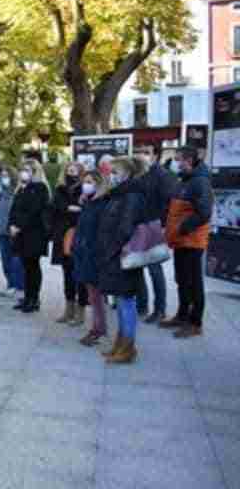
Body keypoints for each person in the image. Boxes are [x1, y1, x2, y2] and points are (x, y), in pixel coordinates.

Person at [97, 157, 147, 364]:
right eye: (111, 171)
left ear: (127, 173)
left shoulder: (132, 195)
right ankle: (121, 343)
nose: (112, 175)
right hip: (116, 255)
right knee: (120, 301)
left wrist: (110, 249)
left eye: (116, 171)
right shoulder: (121, 194)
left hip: (122, 256)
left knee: (126, 302)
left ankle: (127, 348)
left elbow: (125, 229)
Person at [162, 145, 214, 339]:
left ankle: (195, 323)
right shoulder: (184, 180)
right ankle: (182, 315)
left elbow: (204, 212)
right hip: (180, 240)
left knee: (194, 282)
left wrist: (183, 228)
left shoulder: (200, 182)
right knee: (182, 280)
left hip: (192, 241)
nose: (174, 163)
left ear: (189, 161)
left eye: (178, 159)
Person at [133, 150, 179, 324]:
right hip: (138, 225)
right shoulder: (138, 175)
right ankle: (142, 304)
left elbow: (170, 200)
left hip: (153, 225)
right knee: (137, 267)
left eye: (145, 154)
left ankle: (160, 309)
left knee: (154, 269)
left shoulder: (162, 175)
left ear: (153, 157)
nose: (142, 158)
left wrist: (161, 223)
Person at [72, 171, 110, 347]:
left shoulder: (101, 204)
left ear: (98, 184)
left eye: (89, 182)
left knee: (96, 296)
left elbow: (100, 233)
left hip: (93, 255)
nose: (85, 185)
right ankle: (97, 327)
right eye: (84, 182)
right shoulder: (89, 202)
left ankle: (99, 330)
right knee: (92, 295)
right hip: (84, 253)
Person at [8, 159, 51, 313]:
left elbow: (34, 211)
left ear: (35, 171)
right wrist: (12, 225)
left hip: (34, 234)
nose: (23, 172)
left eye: (27, 169)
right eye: (23, 169)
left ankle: (34, 299)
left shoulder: (40, 188)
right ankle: (27, 297)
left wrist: (18, 226)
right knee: (26, 267)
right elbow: (14, 209)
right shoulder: (21, 188)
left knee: (33, 267)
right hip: (21, 234)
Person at [51, 162, 88, 326]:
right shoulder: (59, 189)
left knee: (80, 274)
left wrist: (70, 208)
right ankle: (68, 309)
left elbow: (83, 209)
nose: (70, 172)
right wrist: (68, 208)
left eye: (74, 170)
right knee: (67, 274)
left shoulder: (84, 188)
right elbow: (56, 208)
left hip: (79, 234)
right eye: (68, 170)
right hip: (62, 234)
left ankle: (80, 312)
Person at [0, 166, 24, 299]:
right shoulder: (1, 193)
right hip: (1, 232)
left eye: (7, 175)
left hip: (13, 232)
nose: (4, 178)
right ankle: (10, 284)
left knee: (15, 261)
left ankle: (18, 285)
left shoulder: (17, 192)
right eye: (2, 175)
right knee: (5, 260)